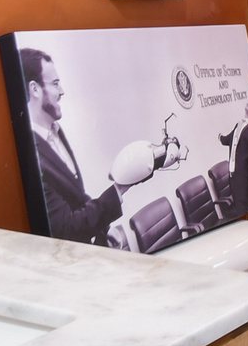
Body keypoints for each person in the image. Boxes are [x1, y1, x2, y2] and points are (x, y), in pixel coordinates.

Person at [19, 48, 176, 246]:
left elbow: (76, 198)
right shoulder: (31, 157)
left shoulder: (56, 132)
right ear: (34, 89)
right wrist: (119, 188)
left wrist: (104, 228)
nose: (62, 91)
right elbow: (66, 227)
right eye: (55, 84)